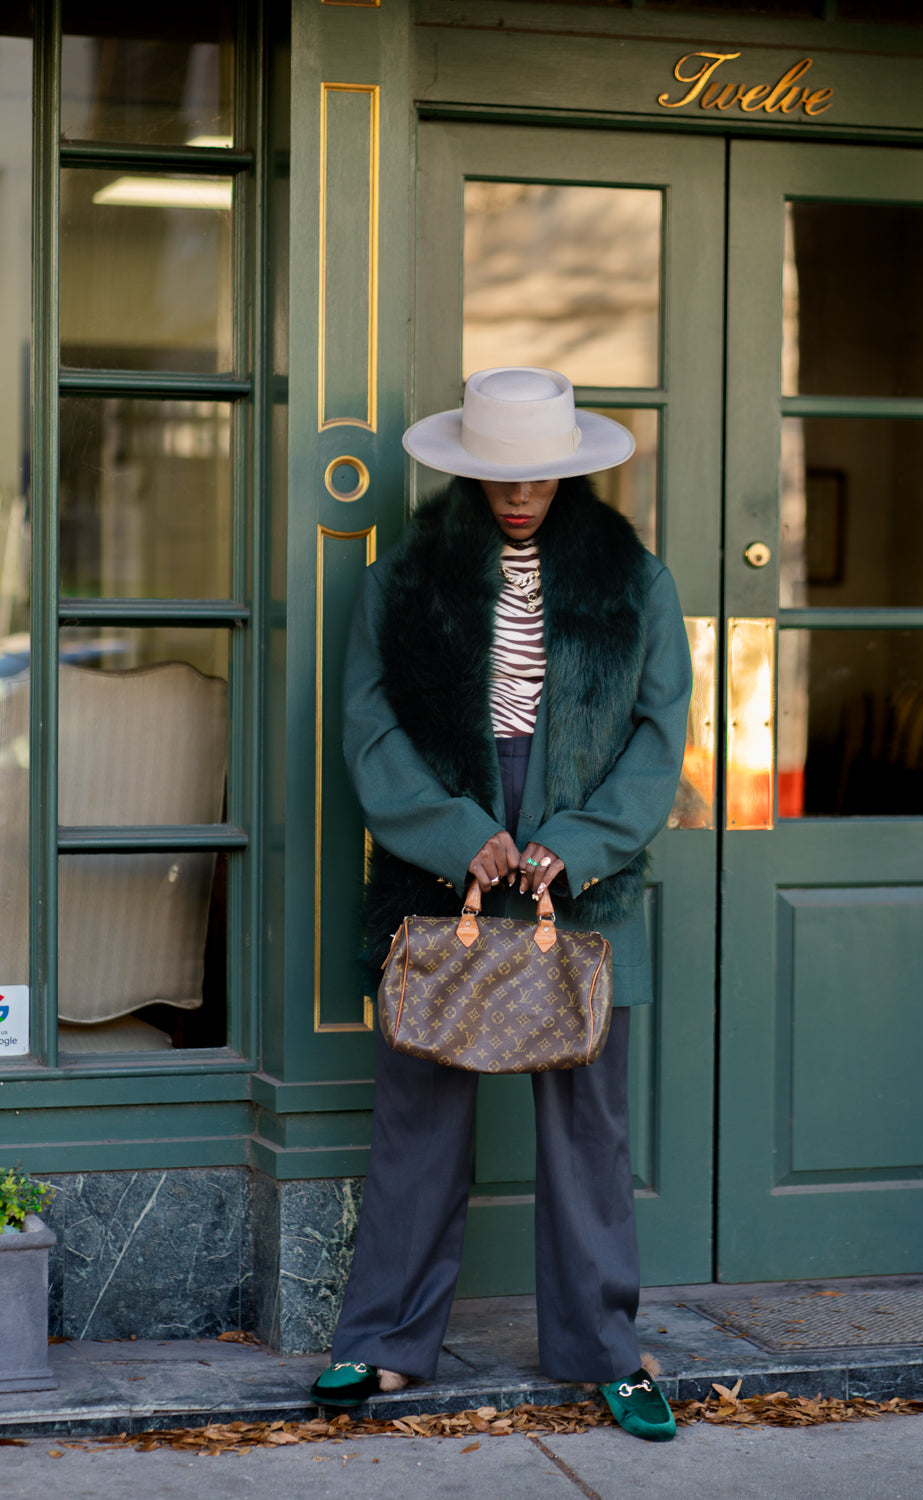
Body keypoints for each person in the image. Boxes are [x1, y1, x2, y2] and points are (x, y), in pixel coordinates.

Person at [309, 367, 692, 1442]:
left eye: (536, 474)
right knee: (418, 1120)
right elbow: (368, 729)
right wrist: (450, 833)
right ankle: (381, 1347)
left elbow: (658, 740)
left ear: (565, 470)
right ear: (470, 471)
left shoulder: (634, 580)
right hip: (441, 888)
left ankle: (605, 1352)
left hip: (585, 885)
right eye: (497, 475)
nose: (518, 493)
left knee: (588, 1131)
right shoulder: (404, 581)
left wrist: (573, 845)